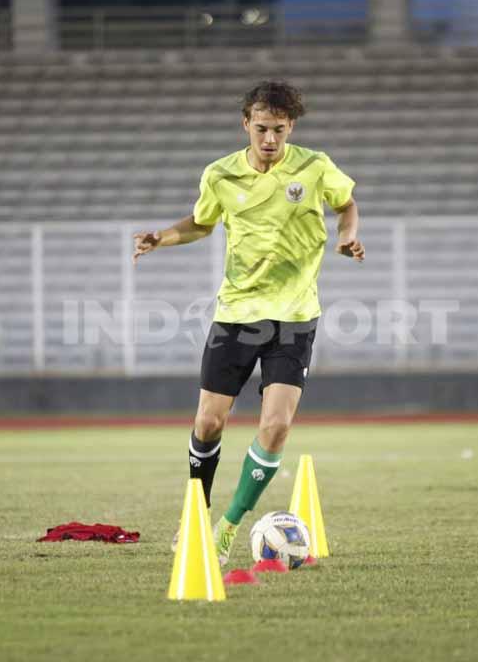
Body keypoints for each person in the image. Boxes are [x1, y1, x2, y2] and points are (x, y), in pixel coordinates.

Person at [132, 80, 364, 565]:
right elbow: (200, 222)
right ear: (246, 125)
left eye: (279, 130)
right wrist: (162, 237)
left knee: (276, 427)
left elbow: (346, 204)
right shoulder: (220, 175)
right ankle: (195, 512)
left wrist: (348, 236)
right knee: (209, 421)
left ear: (291, 127)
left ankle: (226, 529)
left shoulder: (314, 167)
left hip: (295, 317)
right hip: (236, 315)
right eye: (262, 129)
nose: (271, 140)